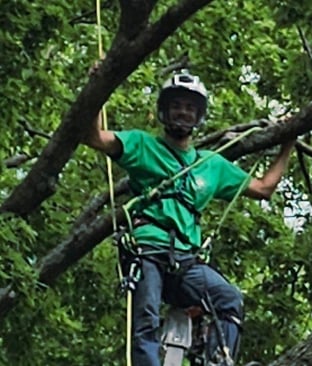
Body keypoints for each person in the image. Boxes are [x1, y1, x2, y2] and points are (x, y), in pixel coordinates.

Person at [83, 72, 295, 366]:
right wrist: (99, 86)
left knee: (229, 299)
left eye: (190, 108)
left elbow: (263, 188)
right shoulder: (143, 146)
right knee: (145, 319)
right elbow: (95, 137)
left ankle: (217, 361)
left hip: (186, 261)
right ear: (164, 112)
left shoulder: (210, 164)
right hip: (148, 251)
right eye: (177, 106)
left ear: (199, 116)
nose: (183, 112)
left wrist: (288, 142)